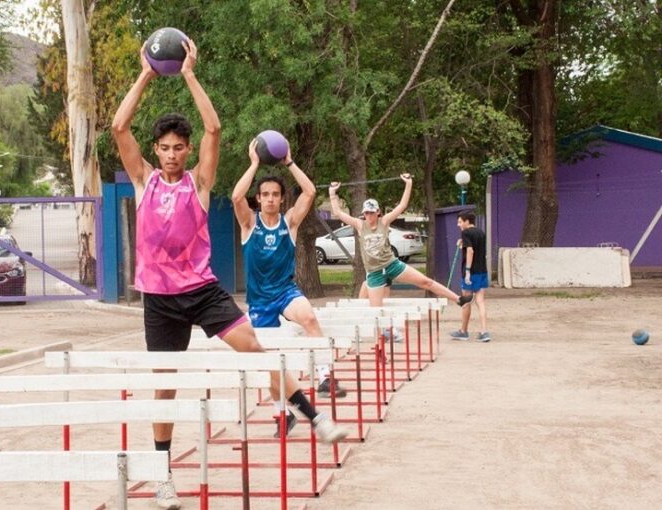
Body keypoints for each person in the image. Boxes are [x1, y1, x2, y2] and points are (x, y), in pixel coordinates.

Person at [112, 39, 348, 510]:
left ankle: (313, 417)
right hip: (158, 297)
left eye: (180, 147)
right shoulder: (145, 181)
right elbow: (119, 126)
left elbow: (214, 129)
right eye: (166, 148)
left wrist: (190, 73)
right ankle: (163, 477)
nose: (174, 154)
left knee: (256, 350)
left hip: (201, 289)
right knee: (165, 384)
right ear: (156, 151)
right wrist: (146, 73)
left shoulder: (200, 184)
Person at [232, 141, 348, 436]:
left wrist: (289, 163)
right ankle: (282, 415)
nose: (270, 199)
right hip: (260, 302)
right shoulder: (249, 224)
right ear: (258, 199)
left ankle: (325, 375)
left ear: (282, 199)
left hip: (285, 292)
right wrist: (254, 163)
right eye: (265, 195)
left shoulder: (289, 222)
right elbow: (235, 196)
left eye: (275, 195)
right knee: (272, 366)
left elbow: (309, 192)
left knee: (308, 316)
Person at [328, 174, 474, 309]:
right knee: (377, 311)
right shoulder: (360, 225)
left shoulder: (383, 221)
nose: (369, 215)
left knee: (426, 282)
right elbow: (338, 213)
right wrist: (332, 193)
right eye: (366, 212)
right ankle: (387, 334)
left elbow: (402, 206)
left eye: (372, 212)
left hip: (392, 264)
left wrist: (408, 184)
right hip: (374, 272)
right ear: (363, 213)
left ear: (378, 212)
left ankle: (458, 299)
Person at [451, 212, 490, 342]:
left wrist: (467, 270)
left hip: (471, 272)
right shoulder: (481, 232)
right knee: (480, 301)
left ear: (467, 221)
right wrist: (463, 244)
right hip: (482, 270)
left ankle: (464, 331)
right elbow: (474, 247)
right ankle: (484, 331)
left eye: (460, 222)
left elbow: (470, 251)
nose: (458, 225)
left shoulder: (466, 233)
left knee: (466, 301)